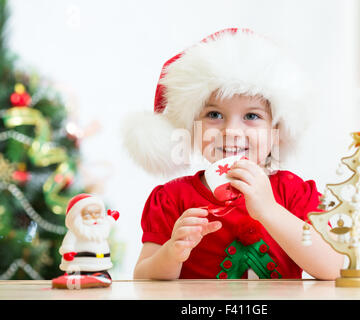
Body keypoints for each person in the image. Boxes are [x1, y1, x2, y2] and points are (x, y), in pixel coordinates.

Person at [123, 28, 344, 280]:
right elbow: (143, 278)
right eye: (214, 115)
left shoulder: (294, 193)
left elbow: (335, 269)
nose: (231, 131)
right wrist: (172, 253)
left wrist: (270, 210)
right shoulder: (172, 199)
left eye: (252, 116)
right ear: (191, 129)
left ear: (276, 132)